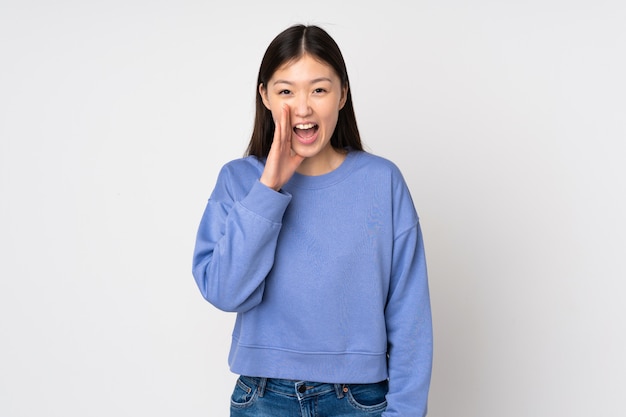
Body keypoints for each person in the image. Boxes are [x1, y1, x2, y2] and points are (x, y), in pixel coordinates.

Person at [192, 24, 433, 417]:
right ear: (265, 96)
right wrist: (269, 187)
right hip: (262, 398)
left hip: (360, 400)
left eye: (318, 89)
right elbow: (224, 291)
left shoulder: (381, 181)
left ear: (342, 95)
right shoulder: (238, 181)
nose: (302, 107)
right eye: (286, 90)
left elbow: (411, 316)